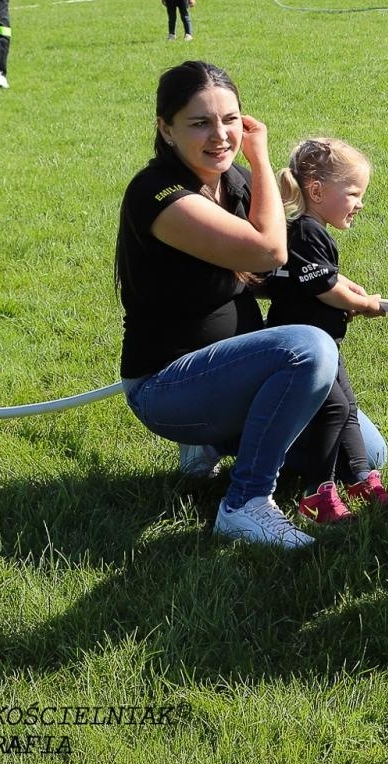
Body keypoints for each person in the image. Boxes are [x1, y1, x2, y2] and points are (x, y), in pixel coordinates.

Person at [115, 61, 338, 549]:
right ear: (165, 129)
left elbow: (267, 274)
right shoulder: (160, 195)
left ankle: (214, 441)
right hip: (166, 387)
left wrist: (329, 285)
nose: (221, 135)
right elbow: (268, 250)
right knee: (309, 349)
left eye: (231, 119)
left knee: (359, 448)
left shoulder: (230, 182)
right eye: (200, 123)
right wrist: (261, 157)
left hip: (234, 379)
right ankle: (245, 503)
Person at [266, 138, 388, 524]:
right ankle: (317, 492)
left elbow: (321, 280)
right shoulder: (306, 231)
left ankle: (359, 477)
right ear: (318, 191)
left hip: (322, 342)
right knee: (334, 408)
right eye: (353, 193)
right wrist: (362, 303)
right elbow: (323, 287)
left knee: (347, 406)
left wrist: (346, 289)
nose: (360, 203)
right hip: (304, 351)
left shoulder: (307, 231)